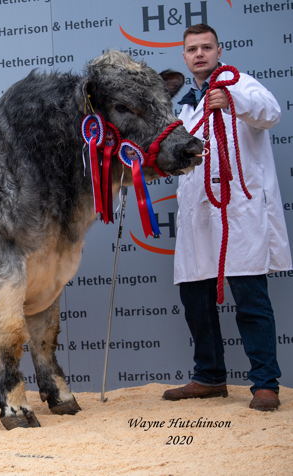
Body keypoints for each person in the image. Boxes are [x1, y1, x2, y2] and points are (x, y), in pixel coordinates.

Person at [164, 24, 292, 411]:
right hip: (197, 212)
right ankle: (209, 377)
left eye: (206, 47)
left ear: (220, 50)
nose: (199, 54)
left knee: (251, 299)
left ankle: (265, 383)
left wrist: (232, 99)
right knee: (195, 299)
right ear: (184, 56)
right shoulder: (185, 102)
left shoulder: (241, 84)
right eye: (191, 49)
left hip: (239, 210)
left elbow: (270, 113)